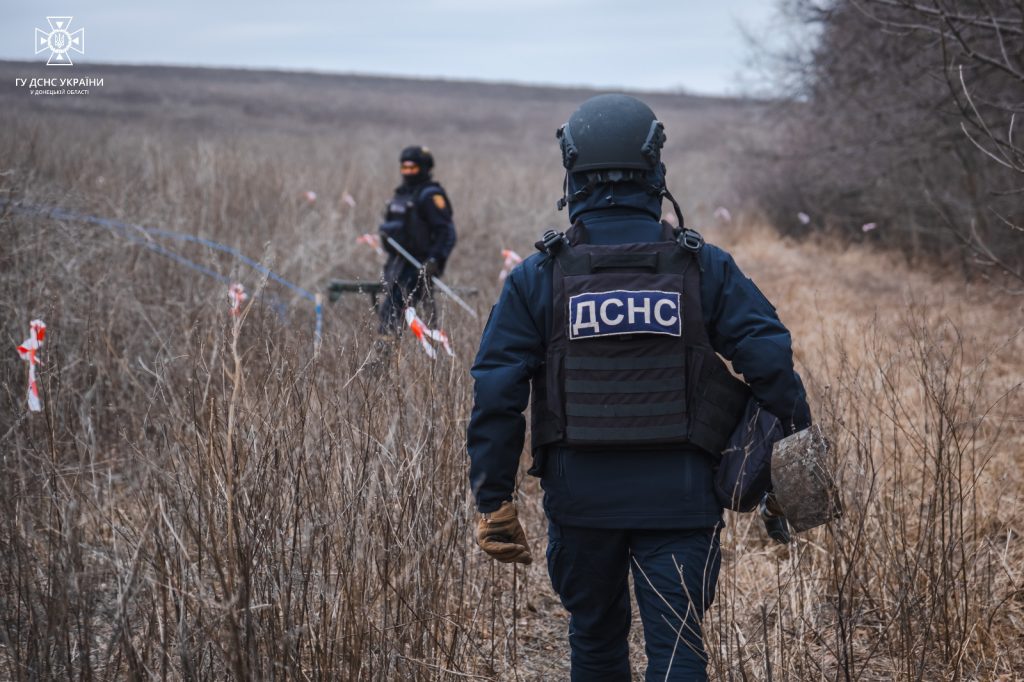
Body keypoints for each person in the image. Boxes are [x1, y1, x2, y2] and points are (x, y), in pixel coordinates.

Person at [466, 94, 812, 681]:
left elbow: (498, 393)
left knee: (596, 642)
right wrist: (793, 467)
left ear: (571, 173)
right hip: (680, 500)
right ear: (656, 170)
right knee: (678, 649)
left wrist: (493, 497)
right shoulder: (705, 267)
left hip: (581, 503)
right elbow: (771, 362)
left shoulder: (538, 276)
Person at [377, 145, 457, 334]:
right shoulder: (401, 194)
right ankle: (422, 352)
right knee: (409, 314)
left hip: (419, 265)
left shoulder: (430, 196)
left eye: (412, 168)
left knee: (394, 314)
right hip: (397, 264)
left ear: (425, 168)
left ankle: (385, 358)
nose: (408, 172)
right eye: (404, 168)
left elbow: (447, 233)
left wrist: (435, 260)